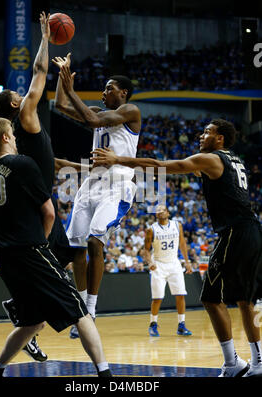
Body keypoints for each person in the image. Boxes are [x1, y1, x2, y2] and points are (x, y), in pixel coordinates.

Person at [92, 118, 262, 377]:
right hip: (252, 231)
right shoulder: (233, 160)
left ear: (220, 139)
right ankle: (258, 361)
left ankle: (232, 363)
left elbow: (161, 165)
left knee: (210, 298)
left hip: (235, 232)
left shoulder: (212, 159)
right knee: (244, 299)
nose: (201, 136)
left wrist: (119, 160)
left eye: (207, 132)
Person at [0, 117, 112, 377]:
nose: (16, 138)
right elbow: (49, 213)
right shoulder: (22, 163)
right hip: (30, 249)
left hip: (4, 254)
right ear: (6, 138)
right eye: (13, 134)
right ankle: (106, 376)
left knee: (32, 321)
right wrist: (42, 245)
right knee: (80, 311)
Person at [0, 12, 87, 361]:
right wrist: (45, 38)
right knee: (70, 256)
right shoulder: (26, 115)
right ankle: (39, 312)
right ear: (16, 104)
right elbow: (38, 73)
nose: (24, 93)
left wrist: (85, 168)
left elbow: (53, 162)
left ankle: (25, 311)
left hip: (40, 199)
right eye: (18, 94)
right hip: (38, 204)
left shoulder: (29, 131)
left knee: (65, 258)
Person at [53, 53, 141, 338]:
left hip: (118, 185)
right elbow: (61, 105)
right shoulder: (99, 114)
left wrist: (71, 89)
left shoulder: (131, 112)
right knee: (76, 249)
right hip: (92, 184)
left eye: (109, 89)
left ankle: (91, 308)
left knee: (94, 242)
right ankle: (80, 309)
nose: (104, 93)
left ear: (123, 92)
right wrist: (62, 78)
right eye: (103, 89)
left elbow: (90, 120)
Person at [143, 204, 193, 337]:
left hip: (174, 264)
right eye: (157, 211)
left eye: (162, 210)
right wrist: (150, 262)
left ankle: (181, 325)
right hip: (158, 265)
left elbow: (182, 243)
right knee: (157, 298)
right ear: (156, 215)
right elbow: (146, 250)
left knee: (180, 295)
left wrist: (187, 262)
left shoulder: (177, 225)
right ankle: (153, 324)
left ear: (168, 213)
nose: (160, 212)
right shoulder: (151, 229)